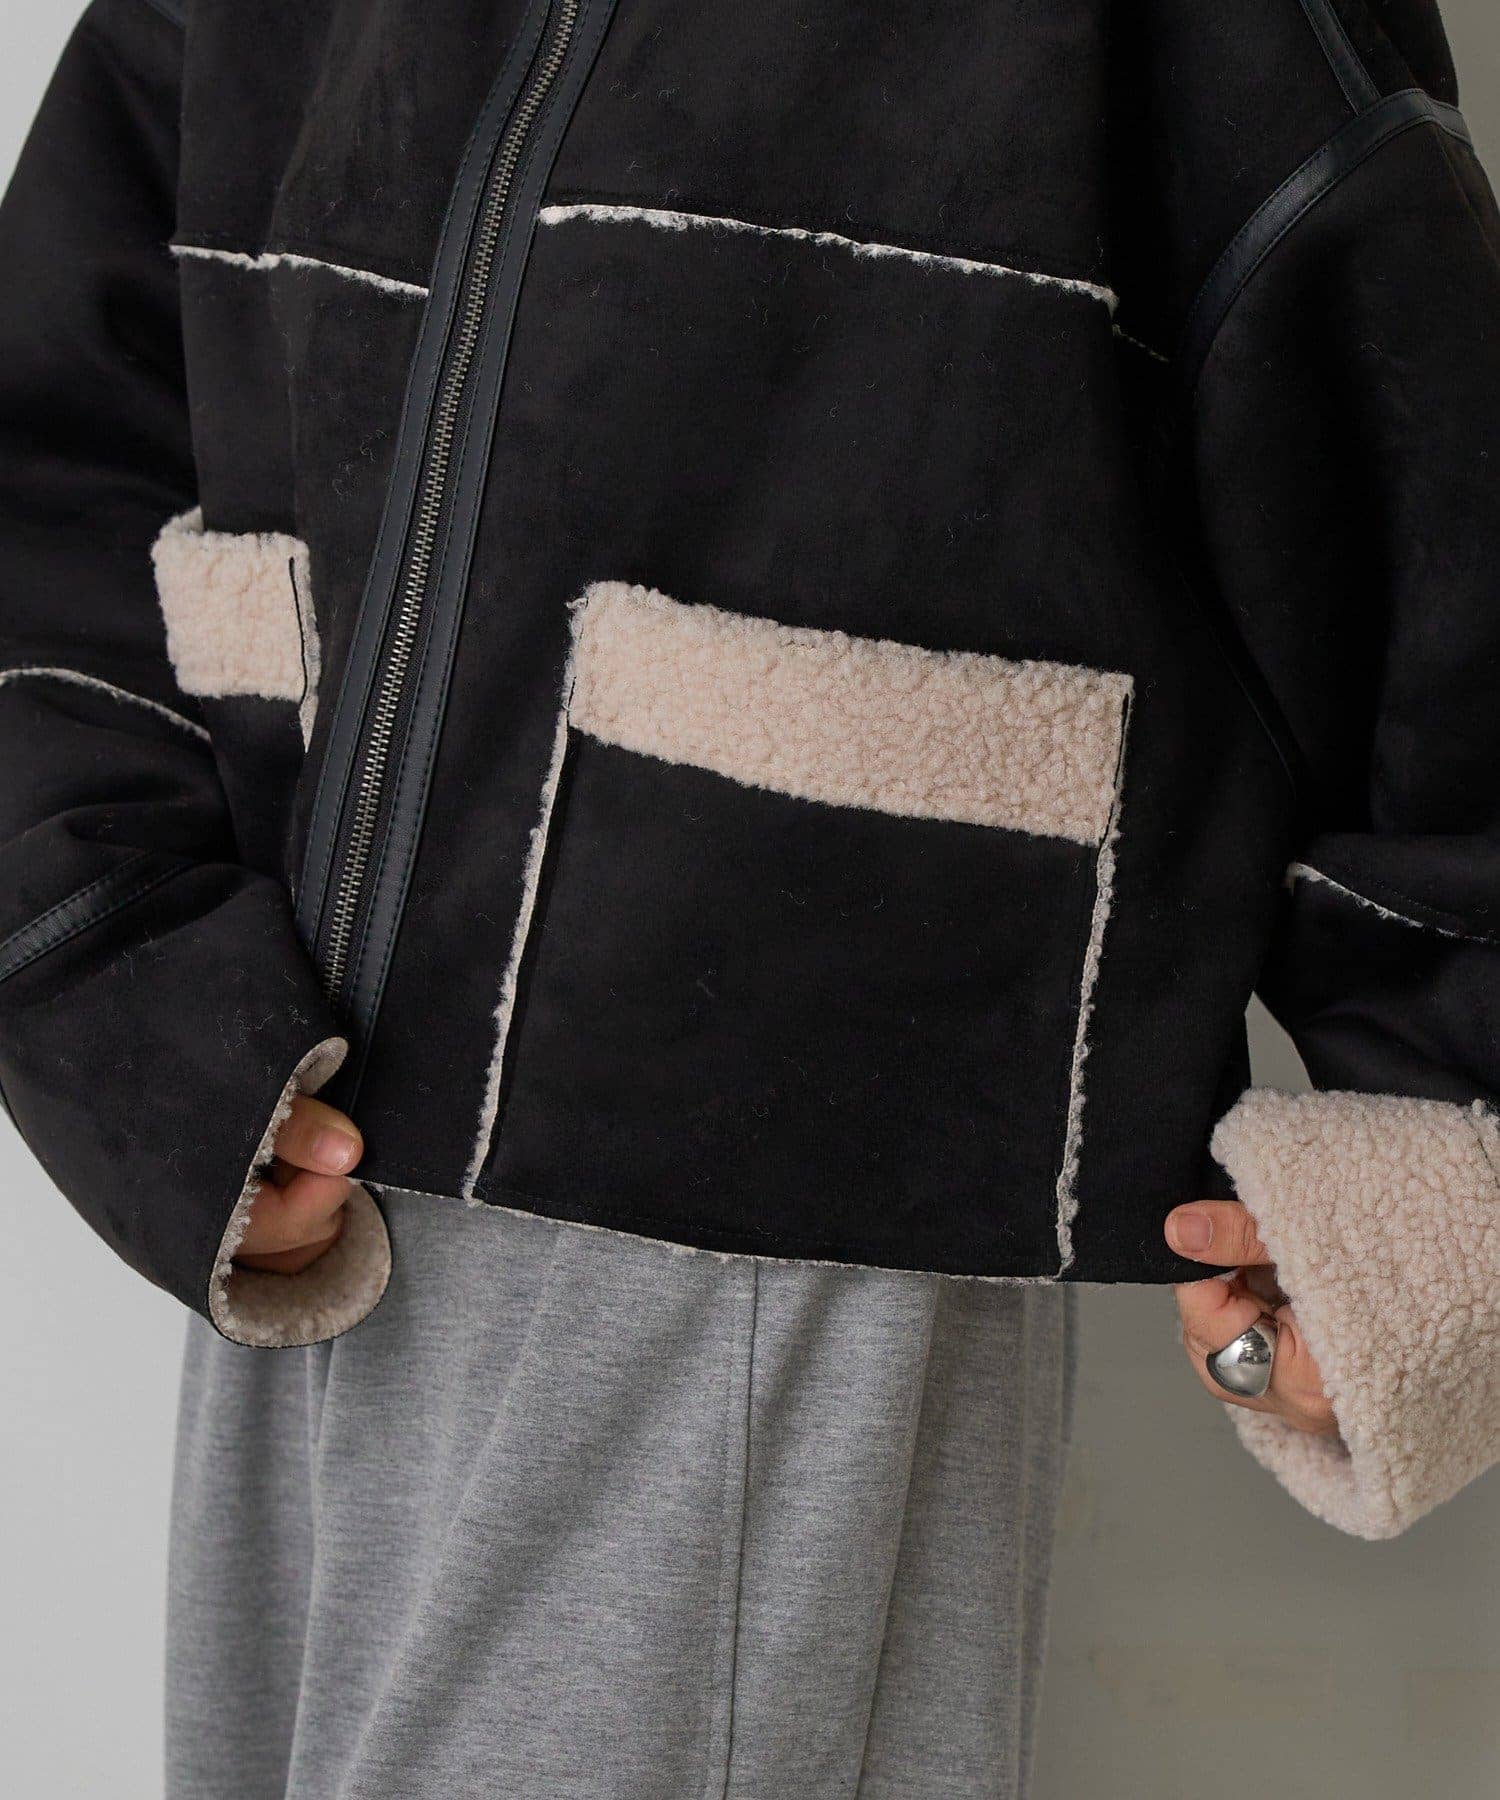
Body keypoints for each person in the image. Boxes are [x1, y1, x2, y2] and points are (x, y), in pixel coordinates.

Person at [1, 0, 1496, 1793]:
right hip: (293, 1166)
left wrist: (1436, 1153)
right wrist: (112, 970)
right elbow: (66, 429)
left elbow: (1424, 480)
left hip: (762, 1194)